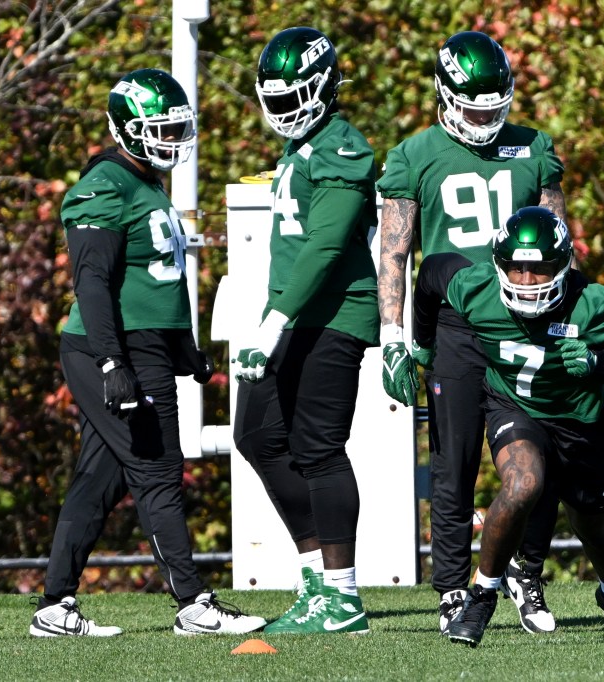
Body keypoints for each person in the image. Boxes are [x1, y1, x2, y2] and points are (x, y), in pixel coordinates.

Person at [31, 68, 266, 637]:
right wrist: (113, 362)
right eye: (159, 127)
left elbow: (163, 279)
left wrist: (185, 348)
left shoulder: (148, 184)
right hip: (110, 347)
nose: (171, 138)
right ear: (126, 129)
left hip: (147, 345)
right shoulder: (104, 187)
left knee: (101, 479)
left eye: (176, 126)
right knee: (159, 467)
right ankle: (192, 604)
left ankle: (54, 606)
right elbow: (92, 283)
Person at [378, 30, 567, 636]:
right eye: (473, 105)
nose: (486, 117)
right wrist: (392, 334)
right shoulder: (415, 154)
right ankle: (452, 590)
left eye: (494, 104)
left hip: (526, 316)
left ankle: (527, 573)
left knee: (543, 456)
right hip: (455, 325)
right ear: (444, 94)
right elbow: (396, 251)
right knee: (452, 464)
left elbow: (561, 241)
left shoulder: (533, 147)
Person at [412, 206, 604, 646]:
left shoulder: (593, 303)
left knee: (595, 527)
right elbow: (431, 270)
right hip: (515, 408)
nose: (527, 281)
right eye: (517, 267)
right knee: (523, 482)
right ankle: (483, 595)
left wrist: (597, 362)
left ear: (563, 264)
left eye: (539, 268)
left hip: (580, 425)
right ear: (499, 263)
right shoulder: (476, 289)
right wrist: (422, 340)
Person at [231, 27, 379, 635]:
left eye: (297, 97)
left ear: (324, 87)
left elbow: (324, 246)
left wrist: (272, 320)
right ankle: (317, 579)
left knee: (318, 447)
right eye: (277, 99)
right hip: (292, 315)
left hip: (332, 315)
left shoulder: (343, 146)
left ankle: (344, 599)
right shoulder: (302, 149)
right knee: (257, 436)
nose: (286, 112)